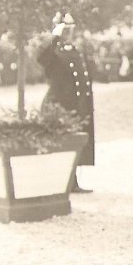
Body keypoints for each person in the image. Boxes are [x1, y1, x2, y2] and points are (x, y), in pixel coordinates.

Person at [38, 12, 95, 193]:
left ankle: (72, 182)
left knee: (74, 143)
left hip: (75, 104)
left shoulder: (74, 50)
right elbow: (42, 57)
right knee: (60, 144)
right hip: (58, 104)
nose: (69, 33)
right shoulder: (53, 51)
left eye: (71, 29)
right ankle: (60, 182)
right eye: (65, 29)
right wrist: (54, 36)